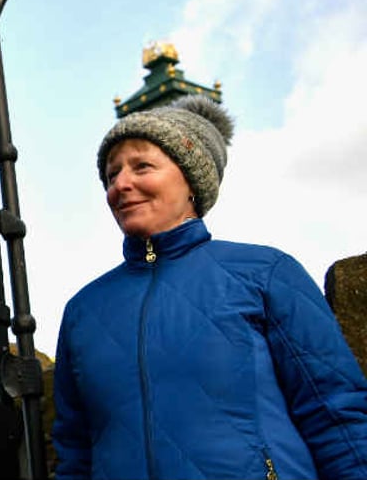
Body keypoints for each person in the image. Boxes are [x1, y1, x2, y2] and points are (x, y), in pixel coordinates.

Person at [52, 95, 367, 479]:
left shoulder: (266, 273)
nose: (121, 184)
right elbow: (74, 452)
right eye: (111, 173)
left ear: (191, 181)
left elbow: (336, 414)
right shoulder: (83, 311)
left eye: (142, 166)